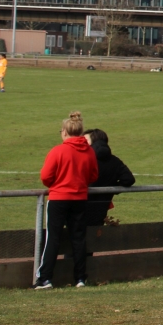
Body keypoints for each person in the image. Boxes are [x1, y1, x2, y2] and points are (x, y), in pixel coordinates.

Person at [34, 111, 98, 290]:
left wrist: (58, 183)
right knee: (78, 238)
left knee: (53, 238)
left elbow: (46, 176)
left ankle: (45, 278)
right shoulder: (89, 152)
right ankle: (80, 278)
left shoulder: (58, 151)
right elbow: (93, 175)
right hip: (79, 198)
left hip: (59, 198)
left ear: (65, 132)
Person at [84, 128, 136, 227]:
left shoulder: (85, 159)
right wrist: (112, 187)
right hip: (101, 207)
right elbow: (129, 179)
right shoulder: (115, 161)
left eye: (85, 141)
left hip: (80, 206)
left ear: (93, 142)